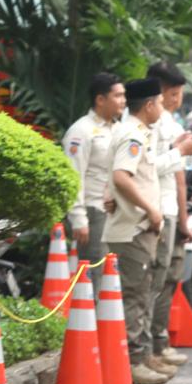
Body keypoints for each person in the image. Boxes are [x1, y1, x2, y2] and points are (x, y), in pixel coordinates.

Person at [104, 78, 170, 384]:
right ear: (149, 105)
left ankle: (142, 357)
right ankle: (132, 361)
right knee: (134, 295)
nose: (161, 108)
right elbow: (121, 176)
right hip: (132, 229)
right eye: (158, 102)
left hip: (135, 228)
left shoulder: (132, 131)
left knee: (142, 292)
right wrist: (151, 210)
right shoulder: (132, 134)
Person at [146, 62, 192, 374]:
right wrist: (182, 149)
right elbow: (153, 168)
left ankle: (157, 342)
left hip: (169, 206)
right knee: (155, 280)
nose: (177, 99)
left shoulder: (167, 122)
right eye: (173, 93)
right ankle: (152, 346)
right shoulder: (154, 124)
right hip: (160, 208)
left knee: (165, 279)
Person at [62, 73, 125, 267]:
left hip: (116, 212)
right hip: (94, 211)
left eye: (124, 95)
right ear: (100, 99)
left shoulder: (119, 129)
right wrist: (79, 219)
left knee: (113, 278)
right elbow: (73, 175)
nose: (123, 101)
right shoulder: (81, 131)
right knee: (95, 274)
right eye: (118, 96)